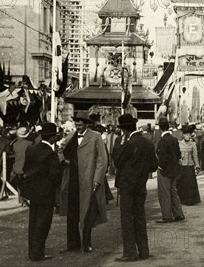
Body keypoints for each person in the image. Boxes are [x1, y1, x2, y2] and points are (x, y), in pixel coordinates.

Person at [59, 111, 108, 253]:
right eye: (76, 122)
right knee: (72, 214)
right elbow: (60, 150)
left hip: (88, 181)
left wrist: (97, 180)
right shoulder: (69, 136)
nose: (78, 125)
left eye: (81, 123)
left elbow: (102, 160)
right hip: (72, 181)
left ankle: (86, 244)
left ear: (86, 123)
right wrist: (63, 160)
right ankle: (72, 245)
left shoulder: (96, 137)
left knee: (87, 214)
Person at [114, 114, 158, 262]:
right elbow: (153, 165)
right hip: (141, 185)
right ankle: (144, 251)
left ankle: (130, 253)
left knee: (127, 218)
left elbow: (117, 163)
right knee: (140, 216)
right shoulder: (148, 143)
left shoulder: (127, 144)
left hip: (127, 185)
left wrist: (120, 146)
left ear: (125, 130)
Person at [21, 123, 62, 262]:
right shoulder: (51, 154)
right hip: (46, 193)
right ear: (52, 138)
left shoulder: (31, 149)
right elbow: (56, 175)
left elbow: (26, 168)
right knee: (43, 223)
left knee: (33, 222)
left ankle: (32, 251)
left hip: (34, 192)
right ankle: (39, 253)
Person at [155, 118, 184, 223]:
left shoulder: (162, 141)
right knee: (173, 191)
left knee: (164, 193)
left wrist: (160, 167)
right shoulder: (174, 139)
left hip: (165, 171)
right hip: (175, 170)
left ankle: (167, 216)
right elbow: (178, 155)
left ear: (160, 128)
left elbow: (162, 158)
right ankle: (179, 214)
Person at [177, 125, 201, 205]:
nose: (188, 136)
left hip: (190, 166)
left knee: (190, 184)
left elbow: (195, 155)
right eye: (186, 135)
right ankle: (182, 200)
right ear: (183, 135)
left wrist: (197, 166)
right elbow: (177, 155)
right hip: (181, 166)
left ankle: (191, 200)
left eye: (189, 135)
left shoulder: (193, 144)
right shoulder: (179, 143)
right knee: (181, 184)